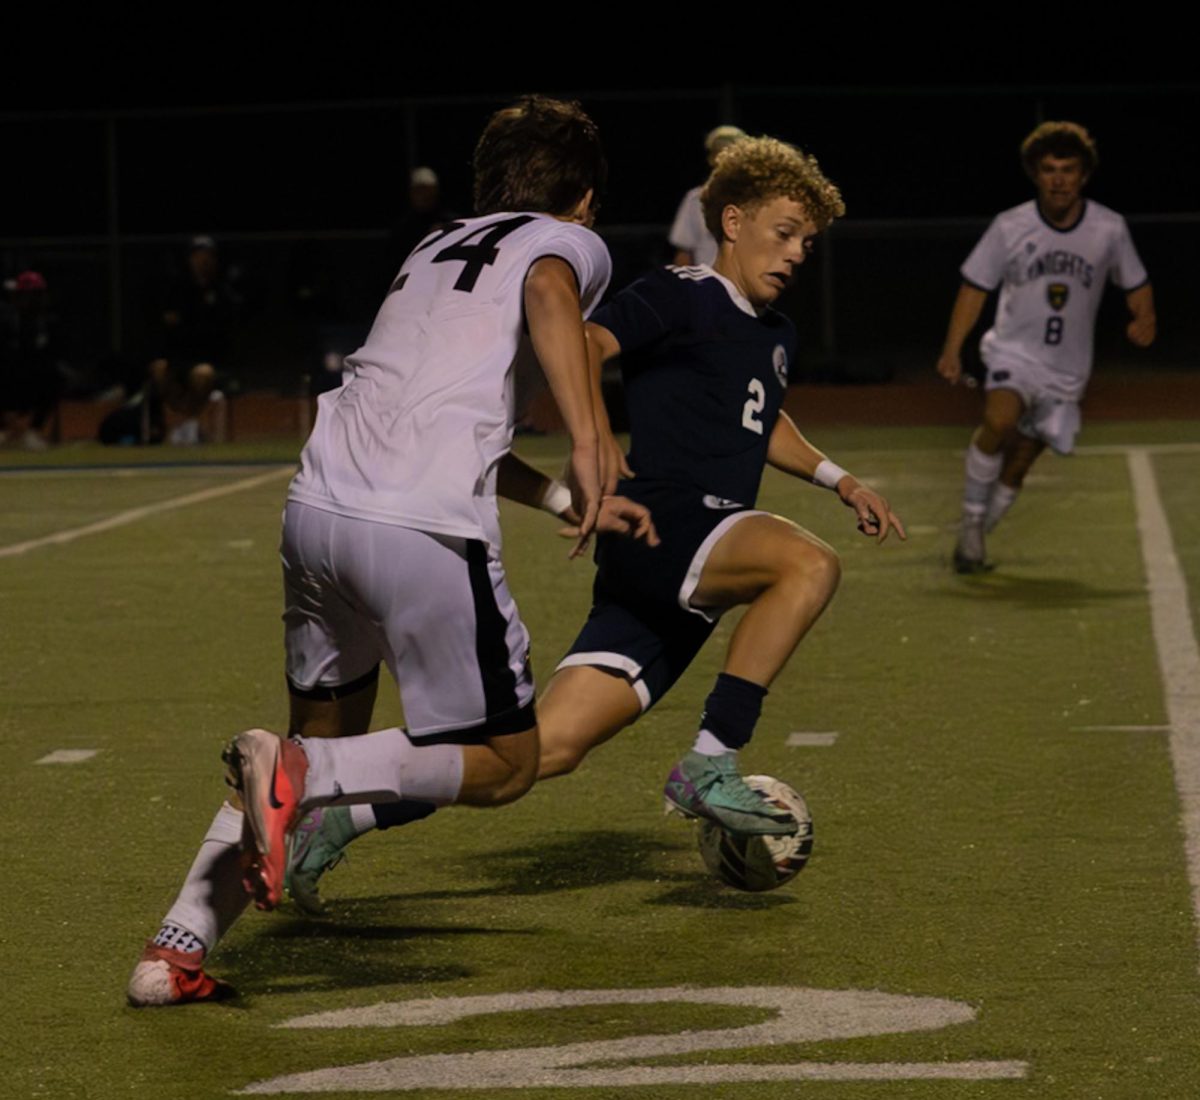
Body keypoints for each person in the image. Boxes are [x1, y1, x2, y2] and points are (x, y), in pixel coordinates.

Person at [284, 135, 906, 915]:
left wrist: (838, 478)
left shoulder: (773, 333)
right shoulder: (679, 293)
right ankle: (713, 760)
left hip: (683, 565)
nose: (795, 254)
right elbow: (583, 337)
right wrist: (590, 432)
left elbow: (759, 420)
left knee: (537, 751)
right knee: (808, 566)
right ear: (734, 221)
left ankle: (341, 818)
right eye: (783, 233)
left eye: (808, 244)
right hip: (665, 521)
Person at [126, 95, 656, 1007]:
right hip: (418, 532)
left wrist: (563, 495)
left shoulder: (432, 249)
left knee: (310, 738)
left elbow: (452, 429)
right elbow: (549, 292)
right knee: (505, 763)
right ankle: (304, 774)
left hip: (318, 510)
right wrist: (589, 432)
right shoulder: (565, 242)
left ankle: (173, 949)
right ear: (584, 198)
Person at [936, 121, 1156, 572]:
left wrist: (1145, 317)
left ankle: (979, 531)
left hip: (1067, 369)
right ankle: (972, 524)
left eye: (1068, 169)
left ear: (1083, 175)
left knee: (1020, 461)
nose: (1058, 179)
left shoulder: (1109, 228)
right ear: (1035, 174)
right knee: (999, 419)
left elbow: (1136, 283)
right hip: (1012, 354)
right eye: (1049, 169)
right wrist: (952, 349)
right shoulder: (1009, 226)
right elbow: (974, 288)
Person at [668, 125, 746, 267]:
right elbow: (684, 254)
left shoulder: (757, 198)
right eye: (719, 150)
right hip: (707, 285)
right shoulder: (694, 200)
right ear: (711, 157)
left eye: (732, 150)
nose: (725, 156)